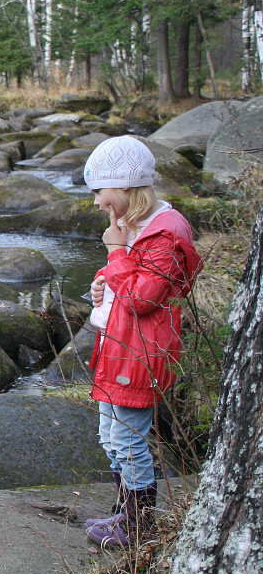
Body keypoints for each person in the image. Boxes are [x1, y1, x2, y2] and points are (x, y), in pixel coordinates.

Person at [80, 136, 202, 548]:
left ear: (127, 187)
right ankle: (125, 513)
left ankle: (139, 525)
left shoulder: (164, 235)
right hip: (117, 350)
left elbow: (140, 297)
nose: (97, 201)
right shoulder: (133, 229)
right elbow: (122, 288)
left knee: (129, 440)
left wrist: (114, 255)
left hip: (141, 355)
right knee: (111, 437)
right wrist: (100, 288)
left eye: (100, 190)